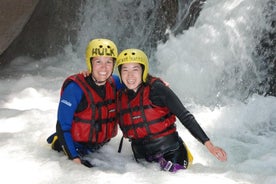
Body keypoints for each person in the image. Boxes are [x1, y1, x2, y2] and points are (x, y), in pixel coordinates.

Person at [116, 48, 227, 172]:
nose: (130, 75)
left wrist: (210, 146)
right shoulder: (120, 96)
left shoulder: (157, 89)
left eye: (135, 69)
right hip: (142, 160)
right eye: (125, 70)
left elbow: (185, 116)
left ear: (143, 70)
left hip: (172, 154)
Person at [47, 38, 122, 168]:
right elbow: (62, 126)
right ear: (90, 63)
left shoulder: (114, 82)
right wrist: (74, 159)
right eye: (98, 61)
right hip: (71, 149)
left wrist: (156, 82)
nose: (104, 67)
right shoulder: (75, 89)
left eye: (109, 62)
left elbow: (137, 84)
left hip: (100, 148)